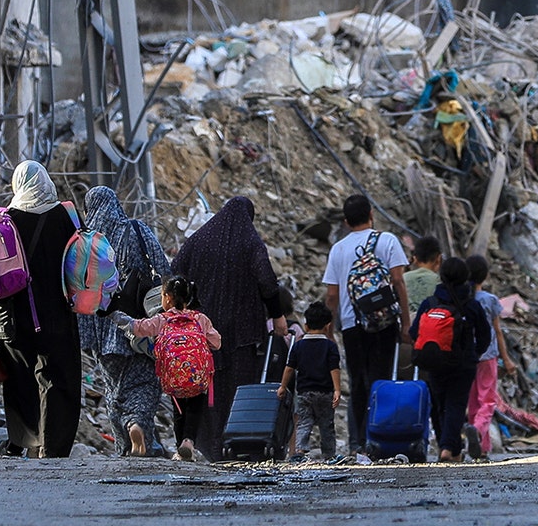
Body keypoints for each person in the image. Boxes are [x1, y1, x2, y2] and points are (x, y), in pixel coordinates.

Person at [0, 160, 80, 458]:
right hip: (57, 317)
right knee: (58, 380)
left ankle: (25, 441)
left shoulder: (4, 223)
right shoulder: (66, 217)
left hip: (13, 320)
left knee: (20, 381)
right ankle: (53, 448)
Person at [170, 196, 287, 460]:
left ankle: (208, 447)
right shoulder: (250, 242)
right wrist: (278, 315)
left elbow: (175, 271)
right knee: (237, 388)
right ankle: (235, 444)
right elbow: (267, 281)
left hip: (201, 331)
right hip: (241, 333)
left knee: (207, 386)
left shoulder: (198, 240)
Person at [77, 186, 169, 457]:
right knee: (144, 381)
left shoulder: (83, 241)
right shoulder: (135, 230)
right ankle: (137, 423)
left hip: (99, 327)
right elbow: (164, 270)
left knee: (113, 386)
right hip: (139, 322)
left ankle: (124, 446)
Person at [322, 194, 411, 455]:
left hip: (352, 325)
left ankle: (356, 443)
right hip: (385, 323)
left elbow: (331, 296)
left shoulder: (338, 248)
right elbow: (398, 282)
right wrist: (406, 323)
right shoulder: (387, 240)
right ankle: (379, 438)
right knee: (381, 380)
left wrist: (329, 332)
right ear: (372, 213)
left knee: (359, 382)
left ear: (346, 221)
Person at [125, 275, 222, 462]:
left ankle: (180, 447)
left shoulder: (162, 319)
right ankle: (188, 442)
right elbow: (216, 342)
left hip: (174, 376)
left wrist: (118, 316)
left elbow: (139, 328)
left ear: (168, 297)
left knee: (179, 411)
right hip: (198, 376)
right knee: (194, 409)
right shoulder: (199, 318)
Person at [409, 257, 490, 462]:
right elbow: (485, 336)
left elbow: (413, 332)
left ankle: (451, 450)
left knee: (439, 405)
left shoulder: (430, 303)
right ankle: (448, 448)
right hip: (463, 365)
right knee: (455, 404)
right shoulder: (471, 305)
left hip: (435, 362)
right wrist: (474, 354)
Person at [464, 254, 517, 460]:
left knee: (473, 402)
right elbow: (498, 331)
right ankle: (477, 430)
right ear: (484, 277)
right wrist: (508, 360)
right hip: (488, 357)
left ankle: (483, 448)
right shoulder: (490, 300)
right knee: (487, 400)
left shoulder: (463, 299)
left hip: (468, 357)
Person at [277, 302, 341, 462]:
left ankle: (299, 451)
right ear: (327, 326)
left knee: (304, 423)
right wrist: (337, 390)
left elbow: (289, 368)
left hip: (305, 393)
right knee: (327, 425)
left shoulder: (299, 346)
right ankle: (329, 455)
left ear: (305, 325)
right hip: (325, 393)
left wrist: (283, 386)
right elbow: (334, 369)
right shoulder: (330, 346)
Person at [403, 236, 442, 317]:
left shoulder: (403, 279)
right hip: (431, 325)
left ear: (415, 259)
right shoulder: (440, 281)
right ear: (438, 258)